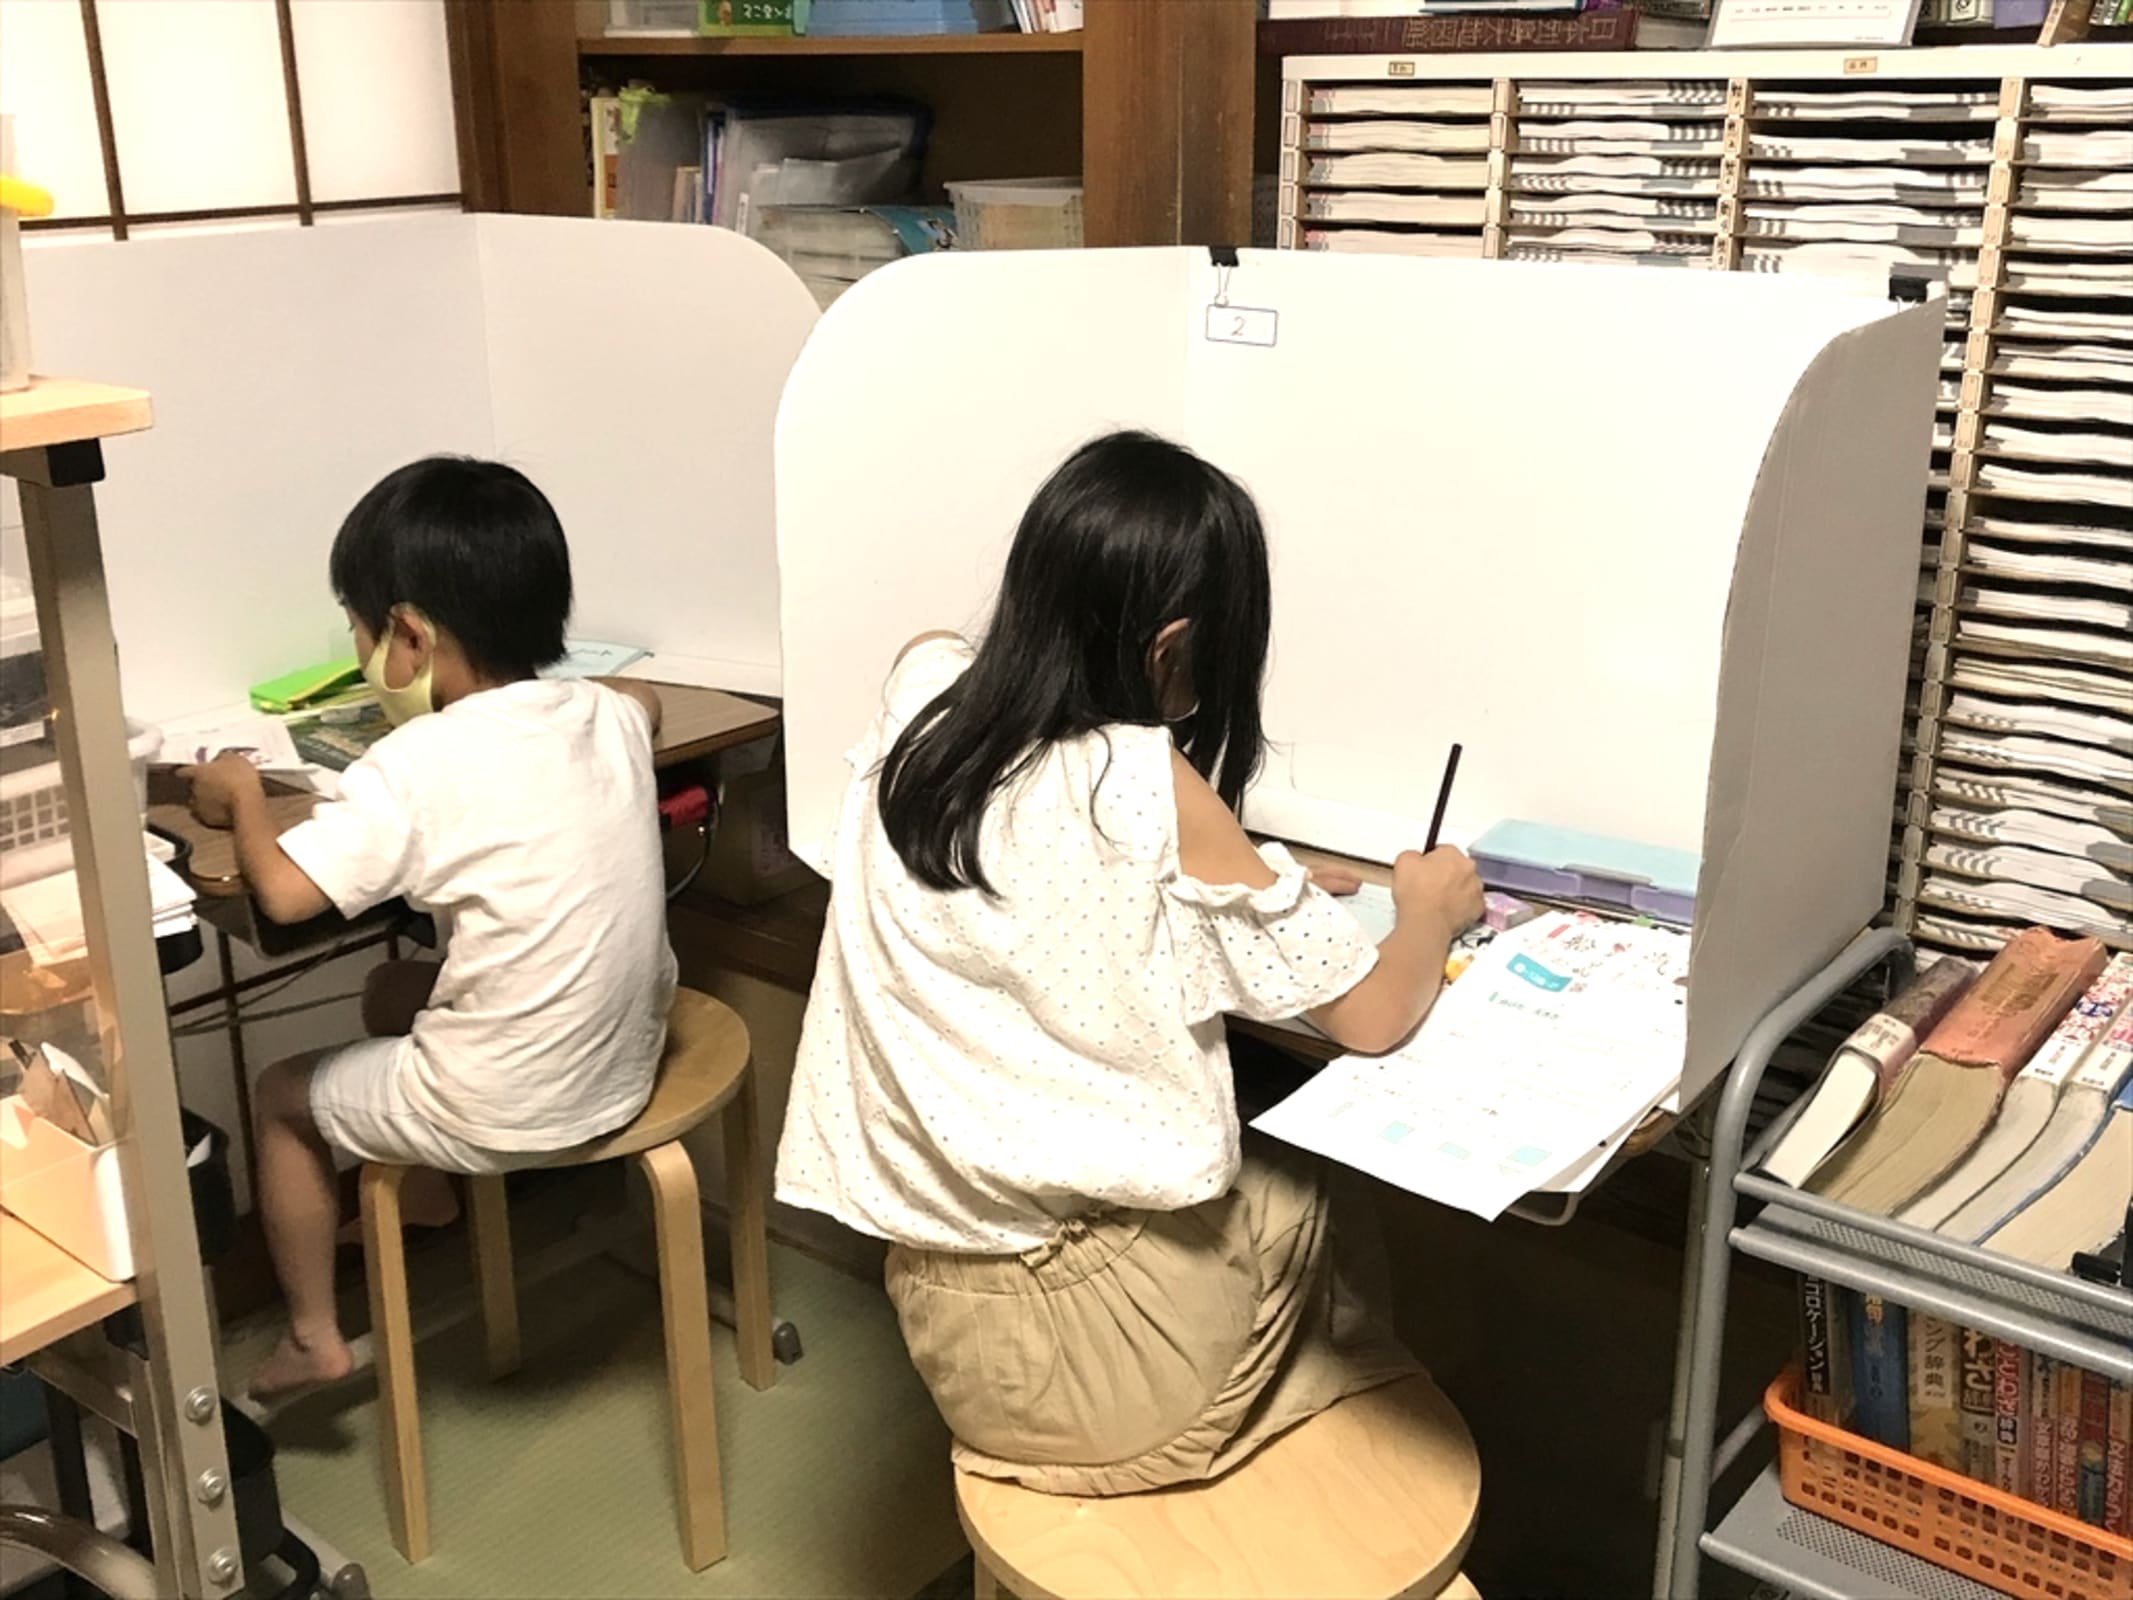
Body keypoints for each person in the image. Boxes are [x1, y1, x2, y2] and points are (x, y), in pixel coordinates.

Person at [776, 430, 1482, 1495]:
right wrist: (1427, 910)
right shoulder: (1145, 780)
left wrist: (1252, 878)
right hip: (1097, 1348)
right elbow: (1374, 1015)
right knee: (1308, 1193)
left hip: (936, 1306)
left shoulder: (925, 687)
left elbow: (1047, 869)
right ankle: (1326, 1495)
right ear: (1172, 647)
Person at [184, 457, 677, 1398]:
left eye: (360, 633)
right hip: (624, 1059)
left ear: (409, 635)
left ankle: (314, 1337)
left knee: (281, 1093)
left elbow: (284, 895)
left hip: (515, 1098)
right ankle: (426, 1190)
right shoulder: (606, 716)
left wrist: (241, 794)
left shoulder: (415, 763)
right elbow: (644, 705)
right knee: (391, 990)